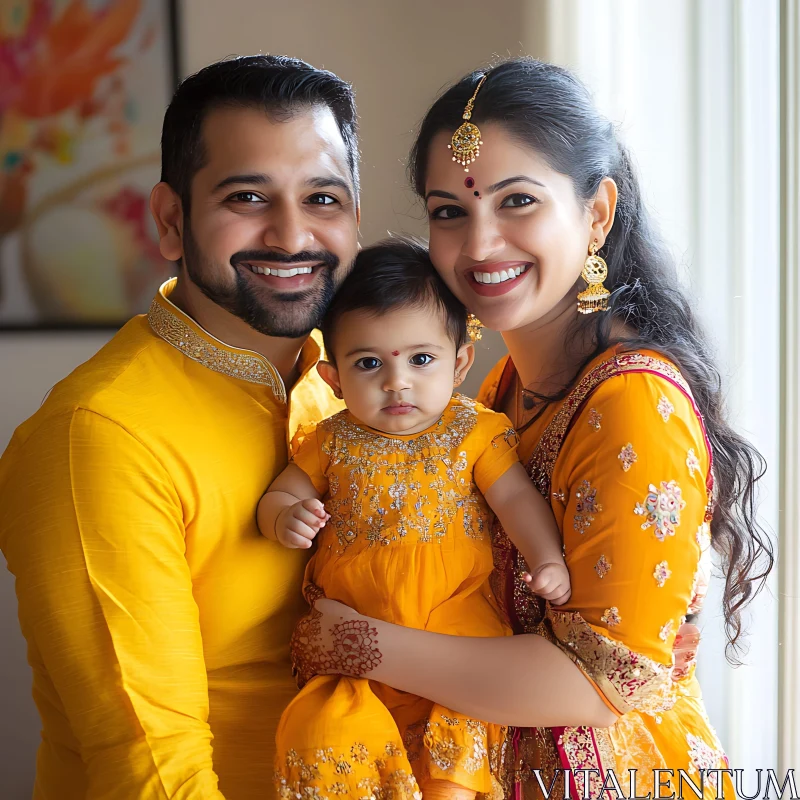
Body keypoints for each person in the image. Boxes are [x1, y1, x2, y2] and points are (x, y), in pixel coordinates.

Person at [291, 59, 773, 800]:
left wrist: (361, 645)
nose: (480, 245)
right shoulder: (499, 388)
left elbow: (596, 685)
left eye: (518, 201)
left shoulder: (633, 402)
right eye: (449, 211)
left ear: (597, 214)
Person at [0, 55, 360, 799]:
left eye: (323, 197)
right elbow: (152, 773)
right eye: (248, 196)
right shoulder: (98, 434)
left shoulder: (357, 388)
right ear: (170, 220)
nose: (293, 236)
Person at [259, 239, 569, 800]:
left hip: (457, 639)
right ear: (333, 379)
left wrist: (546, 558)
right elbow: (280, 495)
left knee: (449, 767)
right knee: (324, 733)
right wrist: (285, 518)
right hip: (349, 647)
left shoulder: (472, 432)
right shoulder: (331, 441)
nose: (396, 382)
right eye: (369, 363)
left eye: (420, 359)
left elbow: (518, 500)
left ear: (460, 363)